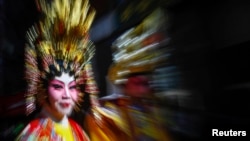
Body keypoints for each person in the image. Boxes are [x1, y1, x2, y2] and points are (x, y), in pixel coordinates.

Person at [16, 0, 98, 140]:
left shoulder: (77, 130)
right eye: (58, 86)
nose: (67, 95)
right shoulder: (33, 134)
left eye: (72, 87)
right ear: (43, 89)